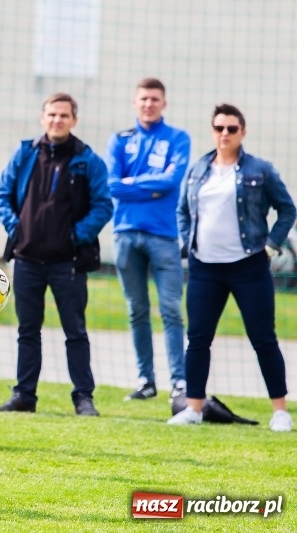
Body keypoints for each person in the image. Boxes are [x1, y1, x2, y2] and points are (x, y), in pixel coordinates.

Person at [168, 104, 296, 431]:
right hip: (204, 268)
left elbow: (286, 209)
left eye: (231, 129)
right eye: (219, 128)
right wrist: (188, 242)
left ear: (243, 132)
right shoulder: (198, 169)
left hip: (248, 267)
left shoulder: (260, 170)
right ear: (212, 130)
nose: (224, 134)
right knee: (198, 338)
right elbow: (182, 210)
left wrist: (270, 246)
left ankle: (280, 411)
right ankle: (194, 407)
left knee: (263, 337)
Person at [0, 93, 113, 416]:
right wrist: (16, 229)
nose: (57, 120)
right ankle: (24, 396)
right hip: (27, 259)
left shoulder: (87, 159)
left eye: (64, 115)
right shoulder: (25, 153)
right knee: (27, 330)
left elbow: (104, 205)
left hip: (68, 262)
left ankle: (83, 398)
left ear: (74, 120)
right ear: (42, 117)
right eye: (52, 114)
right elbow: (2, 195)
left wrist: (77, 236)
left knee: (75, 331)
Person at [103, 78, 191, 402]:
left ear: (163, 103)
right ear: (135, 102)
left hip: (164, 236)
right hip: (125, 234)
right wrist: (148, 187)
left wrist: (133, 183)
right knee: (136, 309)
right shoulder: (120, 140)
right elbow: (112, 185)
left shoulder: (178, 138)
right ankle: (146, 381)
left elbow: (171, 181)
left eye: (155, 99)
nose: (149, 104)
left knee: (171, 309)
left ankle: (179, 382)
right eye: (144, 99)